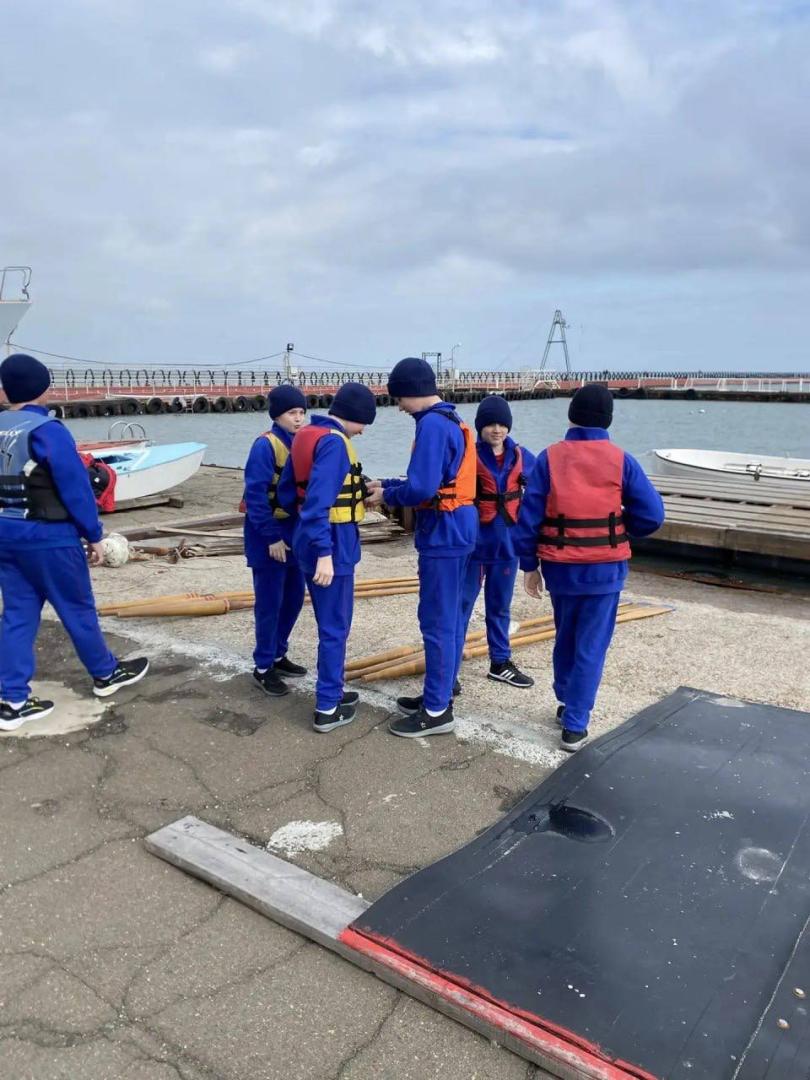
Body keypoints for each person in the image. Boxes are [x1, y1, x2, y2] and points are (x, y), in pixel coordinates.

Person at [0, 354, 148, 732]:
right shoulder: (47, 430)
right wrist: (94, 534)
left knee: (17, 614)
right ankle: (106, 674)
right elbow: (75, 487)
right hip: (49, 536)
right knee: (77, 608)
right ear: (42, 388)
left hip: (7, 534)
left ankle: (12, 700)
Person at [513, 383, 665, 752]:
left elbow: (528, 518)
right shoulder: (621, 460)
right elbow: (653, 515)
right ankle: (575, 724)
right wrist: (619, 527)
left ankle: (566, 699)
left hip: (561, 568)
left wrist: (529, 565)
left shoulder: (549, 458)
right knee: (591, 645)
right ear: (608, 420)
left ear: (571, 416)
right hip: (605, 570)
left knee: (565, 635)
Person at [365, 357, 478, 738]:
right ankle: (440, 692)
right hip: (462, 527)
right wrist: (388, 484)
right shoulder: (451, 419)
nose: (398, 406)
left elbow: (422, 488)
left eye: (398, 398)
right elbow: (437, 479)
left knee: (437, 620)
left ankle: (436, 711)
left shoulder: (430, 424)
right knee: (452, 617)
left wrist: (385, 496)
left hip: (443, 534)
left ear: (412, 391)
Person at [277, 382, 376, 733]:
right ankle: (328, 706)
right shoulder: (335, 443)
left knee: (330, 623)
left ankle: (332, 688)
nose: (363, 431)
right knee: (335, 627)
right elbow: (319, 502)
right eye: (364, 422)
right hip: (332, 543)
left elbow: (288, 494)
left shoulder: (306, 434)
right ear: (353, 415)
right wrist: (324, 553)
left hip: (307, 540)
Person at [458, 395, 536, 689]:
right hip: (475, 547)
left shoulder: (522, 456)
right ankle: (449, 668)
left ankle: (500, 662)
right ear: (480, 426)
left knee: (500, 607)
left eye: (502, 424)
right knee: (461, 606)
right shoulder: (467, 454)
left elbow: (544, 491)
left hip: (507, 548)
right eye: (490, 424)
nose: (497, 429)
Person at [242, 385, 309, 698]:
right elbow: (255, 496)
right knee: (269, 602)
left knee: (294, 597)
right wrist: (271, 537)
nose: (298, 418)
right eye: (292, 413)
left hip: (293, 531)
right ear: (277, 415)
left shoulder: (300, 442)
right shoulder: (265, 446)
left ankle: (279, 654)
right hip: (267, 534)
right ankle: (263, 666)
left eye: (302, 412)